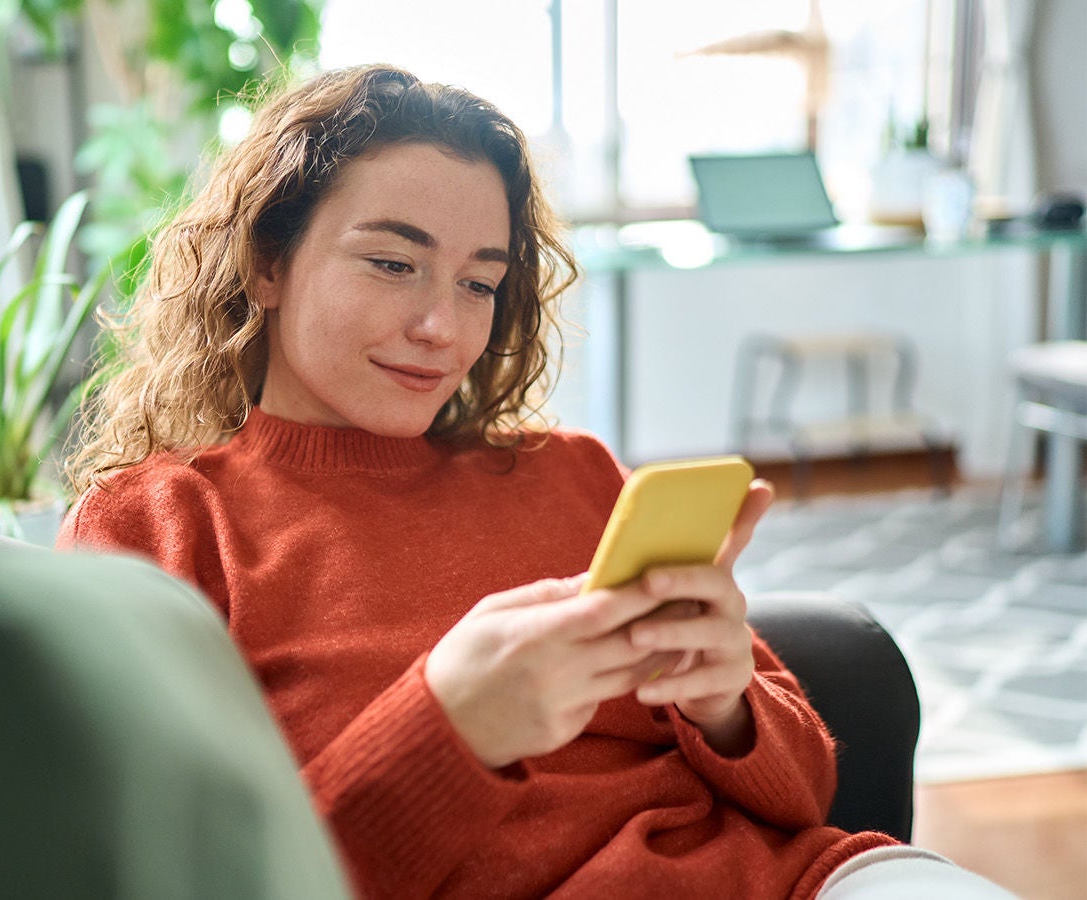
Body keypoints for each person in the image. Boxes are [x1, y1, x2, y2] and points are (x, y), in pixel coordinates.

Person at [58, 65, 1016, 899]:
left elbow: (807, 798)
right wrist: (447, 730)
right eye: (394, 263)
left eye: (479, 282)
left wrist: (728, 701)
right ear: (267, 262)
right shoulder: (162, 527)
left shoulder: (573, 474)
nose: (443, 327)